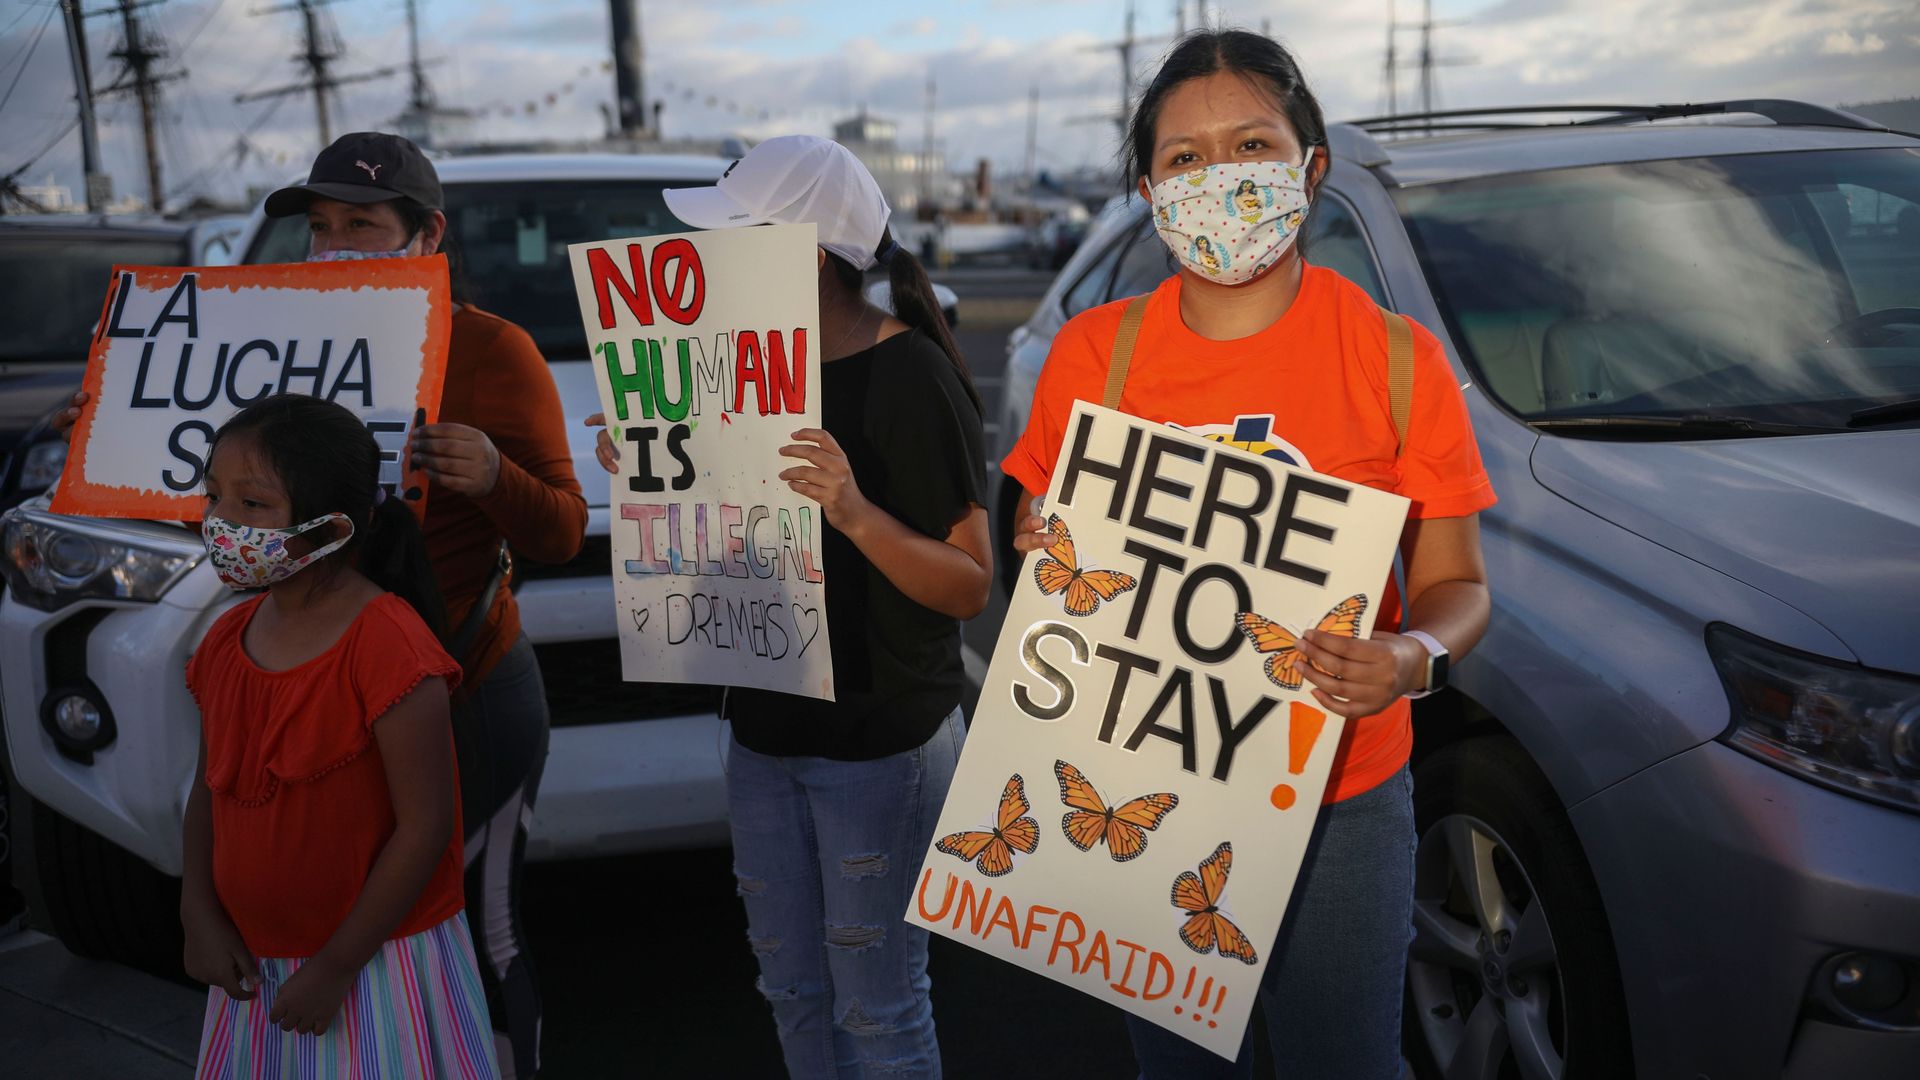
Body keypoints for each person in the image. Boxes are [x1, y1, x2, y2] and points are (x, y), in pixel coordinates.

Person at [1003, 29, 1495, 1080]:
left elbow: (1457, 585)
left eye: (1251, 145)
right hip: (1146, 775)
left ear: (1309, 168)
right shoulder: (1095, 354)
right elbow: (1051, 548)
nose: (1218, 178)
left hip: (1344, 799)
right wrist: (1045, 544)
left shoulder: (1399, 363)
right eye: (1184, 158)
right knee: (1177, 1066)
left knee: (1348, 1062)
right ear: (1147, 189)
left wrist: (1411, 658)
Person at [59, 132, 582, 1080]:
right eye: (322, 225)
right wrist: (106, 424)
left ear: (426, 235)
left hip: (452, 688)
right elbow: (224, 481)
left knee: (474, 928)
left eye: (362, 224)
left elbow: (560, 529)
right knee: (325, 912)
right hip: (308, 687)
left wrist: (497, 478)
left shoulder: (494, 351)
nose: (335, 242)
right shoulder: (266, 340)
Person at [588, 135, 991, 1078]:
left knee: (880, 1011)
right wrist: (644, 459)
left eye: (730, 237)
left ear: (803, 256)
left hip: (877, 746)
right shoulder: (714, 364)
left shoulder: (909, 375)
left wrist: (853, 513)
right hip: (765, 733)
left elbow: (969, 583)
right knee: (794, 994)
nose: (704, 259)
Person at [182, 394, 497, 1078]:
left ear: (330, 530)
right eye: (214, 498)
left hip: (378, 970)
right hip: (258, 972)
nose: (221, 525)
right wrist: (197, 912)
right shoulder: (223, 643)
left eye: (253, 505)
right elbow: (207, 795)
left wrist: (335, 966)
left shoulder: (387, 645)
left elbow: (426, 829)